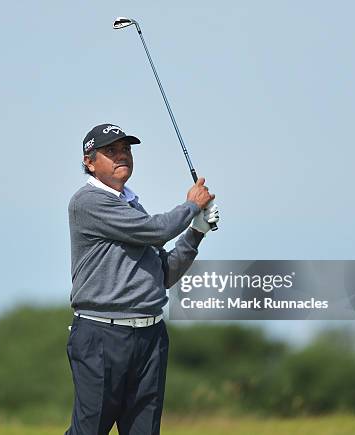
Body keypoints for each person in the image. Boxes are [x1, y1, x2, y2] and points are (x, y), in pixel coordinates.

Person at [65, 123, 218, 435]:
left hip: (150, 337)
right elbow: (157, 230)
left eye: (126, 150)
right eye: (111, 151)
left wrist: (196, 231)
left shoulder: (132, 205)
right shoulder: (88, 202)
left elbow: (165, 274)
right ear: (89, 162)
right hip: (102, 336)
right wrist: (191, 206)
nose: (122, 156)